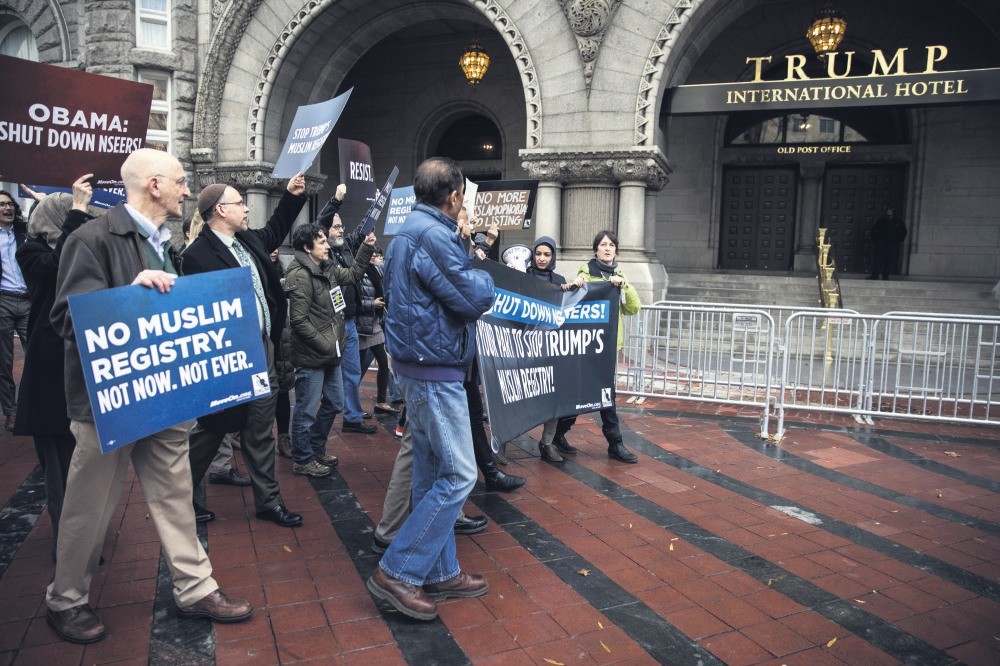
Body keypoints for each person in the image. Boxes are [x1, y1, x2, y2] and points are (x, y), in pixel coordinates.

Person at [45, 148, 252, 645]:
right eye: (181, 182)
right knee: (88, 505)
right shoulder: (90, 237)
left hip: (163, 397)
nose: (187, 190)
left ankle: (195, 586)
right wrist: (131, 293)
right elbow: (66, 317)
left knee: (176, 495)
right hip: (107, 405)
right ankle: (66, 599)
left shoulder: (164, 243)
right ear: (154, 185)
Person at [367, 157, 494, 620]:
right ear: (455, 195)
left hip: (418, 365)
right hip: (434, 367)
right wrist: (476, 256)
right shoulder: (435, 235)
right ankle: (398, 570)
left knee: (430, 473)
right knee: (460, 474)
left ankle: (440, 571)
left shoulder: (410, 232)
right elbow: (474, 297)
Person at [182, 173, 307, 528]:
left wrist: (291, 196)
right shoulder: (197, 255)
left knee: (259, 427)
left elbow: (274, 229)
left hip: (262, 348)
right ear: (220, 210)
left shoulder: (246, 240)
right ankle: (183, 499)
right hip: (227, 357)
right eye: (240, 203)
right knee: (212, 427)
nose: (247, 208)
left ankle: (268, 502)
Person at [14, 176, 96, 553]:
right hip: (49, 371)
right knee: (58, 466)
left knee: (82, 456)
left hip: (77, 368)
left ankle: (83, 529)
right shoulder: (31, 253)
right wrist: (76, 212)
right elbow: (61, 261)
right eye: (68, 218)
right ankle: (67, 542)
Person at [284, 222, 374, 477]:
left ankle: (316, 448)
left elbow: (354, 275)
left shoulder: (327, 268)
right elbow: (299, 321)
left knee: (335, 401)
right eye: (321, 241)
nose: (326, 245)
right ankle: (302, 459)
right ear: (306, 247)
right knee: (306, 409)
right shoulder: (299, 275)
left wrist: (366, 247)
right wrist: (327, 345)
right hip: (313, 355)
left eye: (325, 240)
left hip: (330, 353)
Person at [576, 229, 641, 463]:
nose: (607, 248)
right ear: (596, 249)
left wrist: (624, 287)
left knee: (607, 396)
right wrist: (578, 286)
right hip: (586, 347)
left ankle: (615, 443)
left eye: (611, 245)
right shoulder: (586, 273)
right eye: (603, 244)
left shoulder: (619, 276)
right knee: (577, 392)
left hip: (608, 350)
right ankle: (559, 435)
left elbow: (633, 308)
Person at [524, 236, 585, 463]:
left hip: (550, 349)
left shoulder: (559, 279)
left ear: (553, 257)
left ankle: (547, 443)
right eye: (538, 254)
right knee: (517, 397)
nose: (541, 258)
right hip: (524, 346)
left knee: (553, 398)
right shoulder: (522, 276)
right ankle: (500, 444)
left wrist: (576, 287)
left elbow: (570, 307)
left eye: (546, 254)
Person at [322, 191, 377, 435]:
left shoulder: (346, 249)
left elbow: (364, 228)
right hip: (331, 323)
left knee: (353, 371)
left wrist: (377, 203)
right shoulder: (323, 254)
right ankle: (322, 416)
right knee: (326, 375)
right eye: (335, 227)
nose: (340, 231)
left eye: (342, 226)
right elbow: (319, 222)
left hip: (351, 321)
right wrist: (336, 200)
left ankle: (352, 418)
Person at [0, 189, 30, 431]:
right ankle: (11, 412)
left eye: (10, 204)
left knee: (35, 355)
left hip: (28, 299)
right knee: (5, 360)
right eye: (1, 205)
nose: (7, 208)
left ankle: (32, 406)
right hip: (3, 301)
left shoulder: (24, 232)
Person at [357, 247, 397, 415]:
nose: (375, 256)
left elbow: (392, 265)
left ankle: (381, 401)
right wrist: (371, 304)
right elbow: (353, 301)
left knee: (384, 363)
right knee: (357, 369)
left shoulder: (376, 269)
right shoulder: (357, 272)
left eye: (377, 254)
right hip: (362, 326)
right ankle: (350, 404)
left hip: (375, 324)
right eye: (372, 253)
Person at [868, 207, 907, 280]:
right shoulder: (881, 220)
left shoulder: (898, 221)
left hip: (892, 244)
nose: (889, 213)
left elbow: (903, 232)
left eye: (890, 211)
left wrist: (898, 241)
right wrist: (877, 240)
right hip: (882, 244)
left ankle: (885, 276)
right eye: (888, 211)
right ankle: (875, 275)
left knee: (889, 260)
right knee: (878, 259)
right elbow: (874, 230)